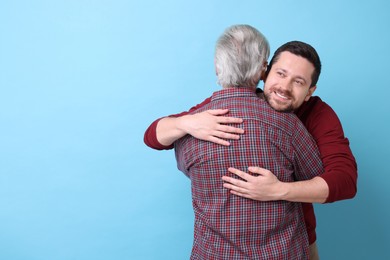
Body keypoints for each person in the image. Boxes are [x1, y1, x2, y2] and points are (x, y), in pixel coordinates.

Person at [144, 39, 358, 259]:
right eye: (281, 74)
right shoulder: (228, 107)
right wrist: (185, 123)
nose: (284, 87)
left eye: (298, 81)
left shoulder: (318, 114)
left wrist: (278, 190)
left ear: (309, 91)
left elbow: (345, 181)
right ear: (264, 72)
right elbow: (153, 136)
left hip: (295, 241)